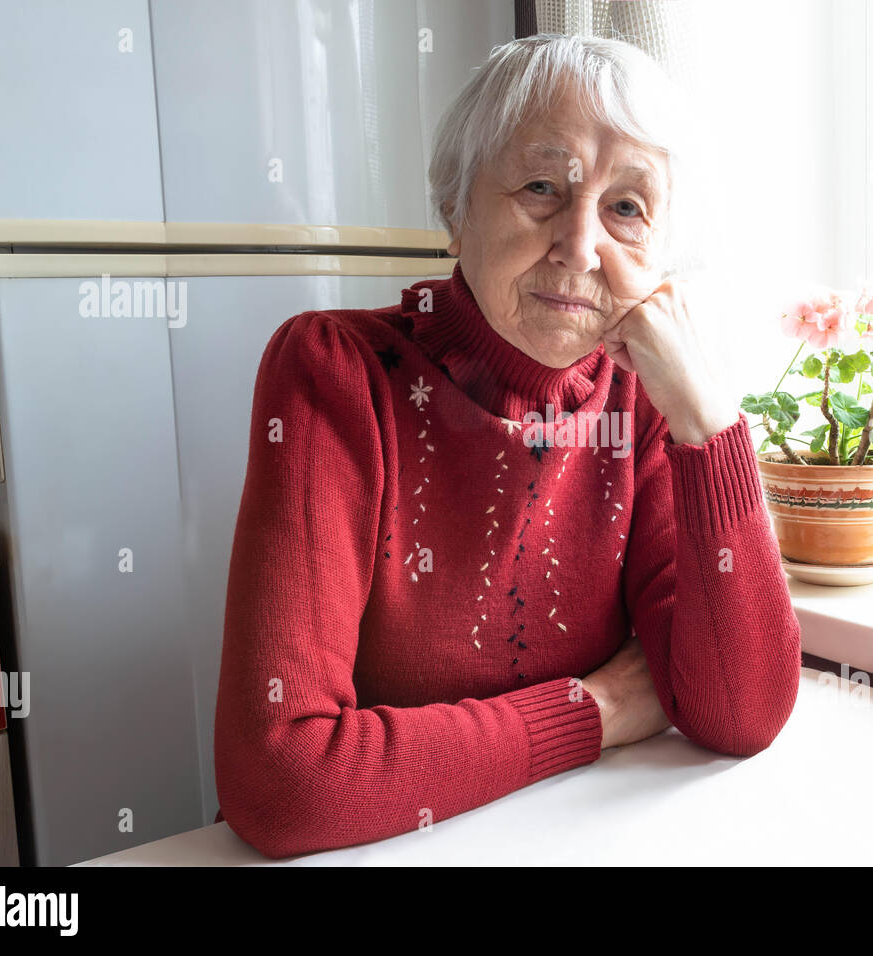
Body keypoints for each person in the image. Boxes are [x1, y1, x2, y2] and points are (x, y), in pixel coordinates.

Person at [213, 33, 800, 859]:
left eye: (626, 207)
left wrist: (708, 418)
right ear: (457, 211)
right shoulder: (335, 373)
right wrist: (593, 712)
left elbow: (740, 711)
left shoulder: (647, 402)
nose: (582, 245)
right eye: (540, 187)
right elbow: (285, 783)